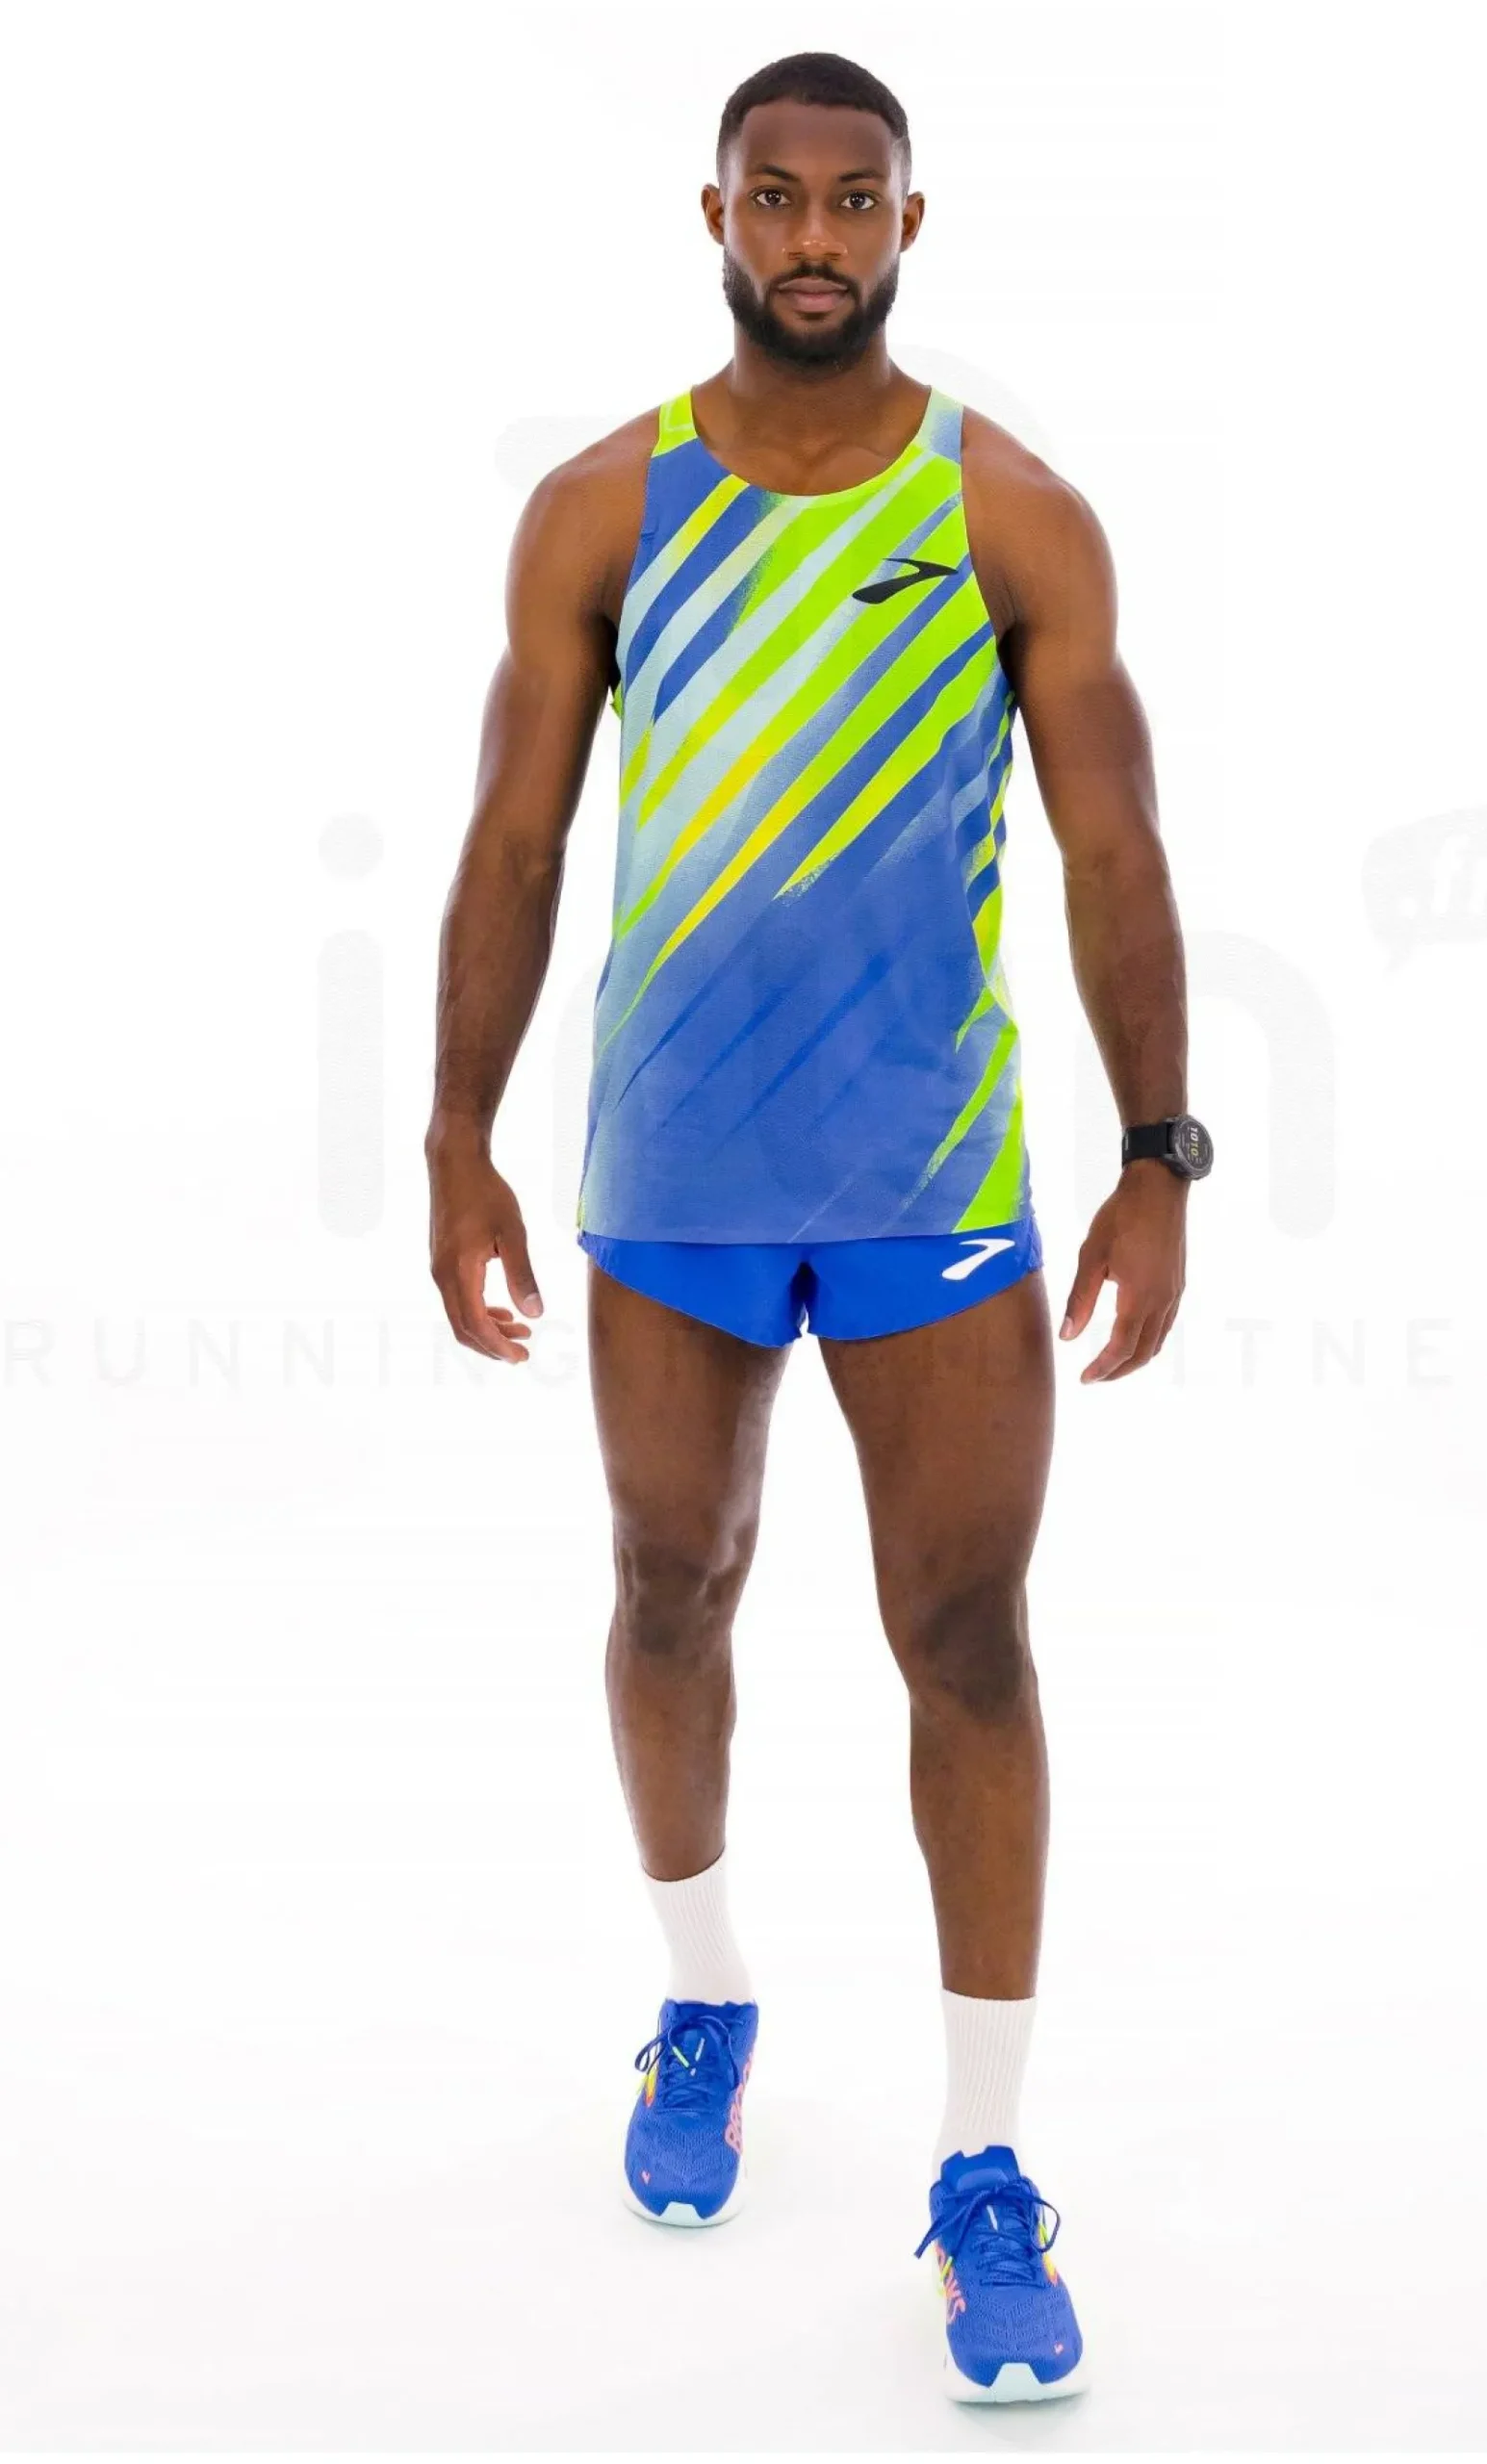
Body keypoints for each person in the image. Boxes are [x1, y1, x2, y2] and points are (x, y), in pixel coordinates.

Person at [425, 48, 1211, 2405]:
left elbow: (1112, 851)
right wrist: (454, 1132)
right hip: (667, 1176)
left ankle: (983, 2163)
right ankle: (701, 1995)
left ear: (904, 226)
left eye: (849, 201)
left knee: (963, 1634)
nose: (809, 235)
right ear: (713, 216)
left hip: (926, 1185)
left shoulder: (1012, 513)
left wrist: (1156, 1153)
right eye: (771, 196)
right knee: (668, 1581)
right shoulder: (602, 505)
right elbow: (511, 841)